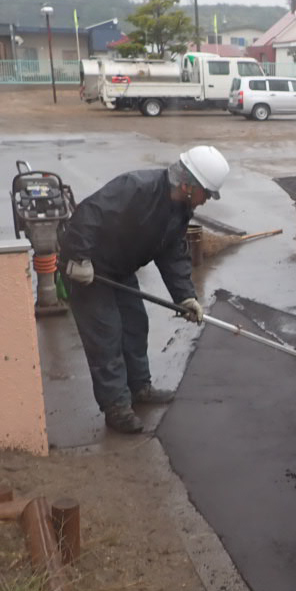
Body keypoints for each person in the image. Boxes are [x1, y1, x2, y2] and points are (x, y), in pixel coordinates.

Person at [59, 145, 229, 434]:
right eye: (206, 194)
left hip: (121, 268)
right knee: (106, 337)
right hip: (89, 270)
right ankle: (116, 405)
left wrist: (185, 296)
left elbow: (172, 253)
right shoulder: (136, 187)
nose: (206, 201)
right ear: (189, 185)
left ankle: (140, 388)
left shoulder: (179, 209)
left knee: (135, 326)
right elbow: (87, 215)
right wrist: (79, 257)